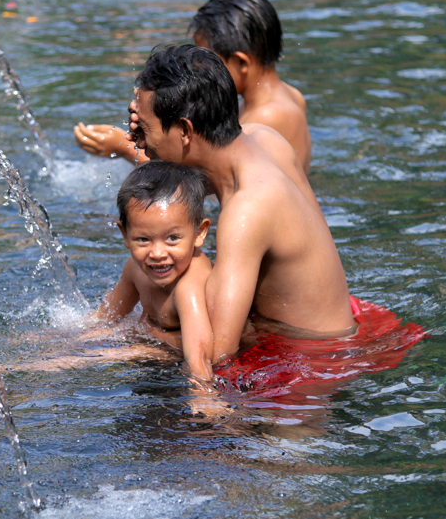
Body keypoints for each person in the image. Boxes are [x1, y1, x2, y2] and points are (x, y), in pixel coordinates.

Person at [127, 44, 353, 363]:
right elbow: (169, 199)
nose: (142, 141)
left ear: (185, 131)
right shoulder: (263, 138)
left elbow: (217, 352)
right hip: (336, 330)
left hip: (307, 362)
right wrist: (149, 133)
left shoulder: (248, 209)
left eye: (146, 131)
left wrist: (134, 340)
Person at [74, 0, 312, 173]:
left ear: (241, 62)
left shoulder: (266, 116)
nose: (201, 69)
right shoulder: (289, 96)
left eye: (210, 60)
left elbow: (203, 178)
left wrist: (125, 147)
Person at [91, 160, 216, 380]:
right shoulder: (135, 270)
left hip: (185, 360)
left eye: (172, 238)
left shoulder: (189, 285)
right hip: (154, 350)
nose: (157, 253)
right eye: (143, 239)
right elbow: (104, 319)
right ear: (125, 235)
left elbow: (200, 357)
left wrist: (203, 399)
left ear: (199, 233)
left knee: (88, 359)